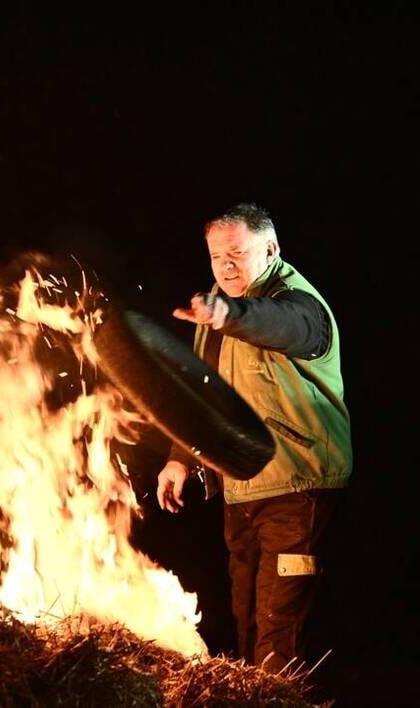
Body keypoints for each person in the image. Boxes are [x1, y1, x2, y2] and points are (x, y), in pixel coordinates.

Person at [156, 203, 351, 672]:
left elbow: (277, 325)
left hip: (297, 484)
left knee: (278, 626)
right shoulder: (215, 312)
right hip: (240, 488)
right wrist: (180, 458)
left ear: (271, 248)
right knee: (245, 618)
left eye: (238, 253)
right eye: (216, 256)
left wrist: (230, 313)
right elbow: (204, 397)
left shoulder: (300, 306)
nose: (226, 265)